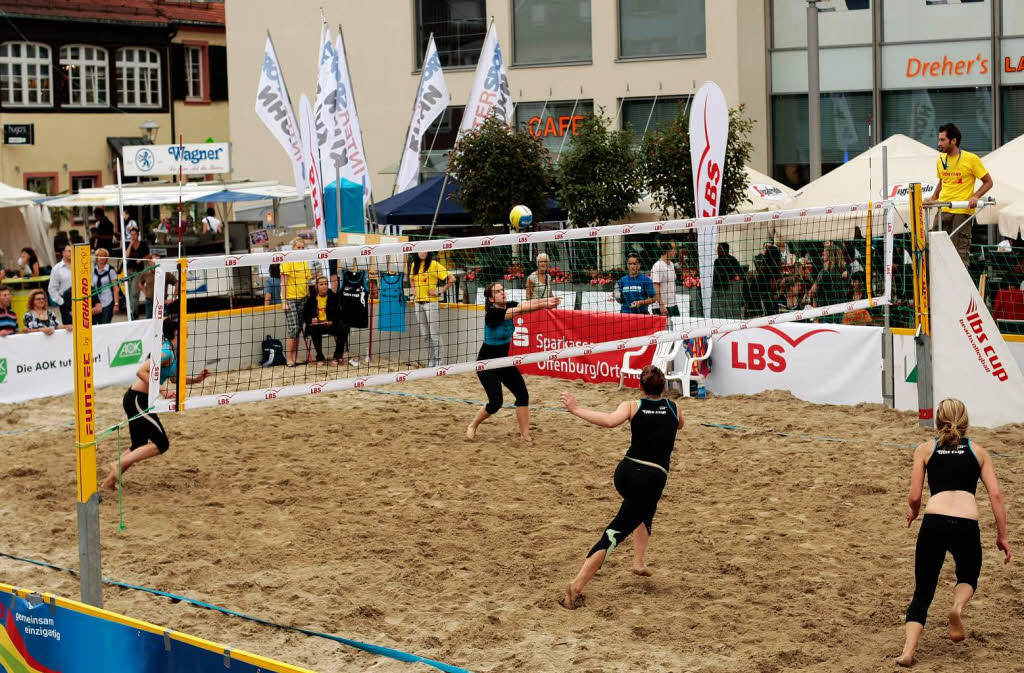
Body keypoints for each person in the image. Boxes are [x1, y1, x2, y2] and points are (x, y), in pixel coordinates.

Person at [558, 365, 683, 610]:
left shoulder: (631, 405)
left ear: (640, 387)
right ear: (665, 387)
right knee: (615, 532)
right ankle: (576, 587)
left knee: (643, 511)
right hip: (651, 478)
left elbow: (608, 422)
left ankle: (638, 561)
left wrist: (576, 409)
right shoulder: (675, 408)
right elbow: (679, 426)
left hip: (626, 471)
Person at [897, 399, 1011, 667]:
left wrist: (914, 511)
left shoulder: (925, 449)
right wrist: (1002, 535)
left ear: (937, 421)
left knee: (923, 590)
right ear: (966, 420)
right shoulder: (979, 451)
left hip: (934, 521)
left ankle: (908, 652)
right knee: (968, 575)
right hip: (966, 523)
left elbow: (914, 495)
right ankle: (957, 608)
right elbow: (996, 495)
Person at [100, 319, 210, 491]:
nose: (187, 329)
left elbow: (174, 378)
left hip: (137, 399)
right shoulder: (166, 351)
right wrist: (162, 391)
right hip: (137, 399)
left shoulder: (173, 351)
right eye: (184, 327)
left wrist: (197, 380)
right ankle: (117, 463)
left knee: (139, 445)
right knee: (162, 444)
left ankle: (108, 484)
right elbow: (141, 371)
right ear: (176, 332)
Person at [466, 282, 560, 442]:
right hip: (486, 365)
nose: (503, 293)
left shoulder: (509, 305)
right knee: (496, 403)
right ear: (490, 298)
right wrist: (544, 304)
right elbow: (521, 309)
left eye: (503, 290)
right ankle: (473, 425)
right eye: (497, 291)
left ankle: (525, 435)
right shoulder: (492, 314)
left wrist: (546, 303)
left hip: (504, 362)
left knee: (522, 395)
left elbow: (528, 304)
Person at [924, 123, 994, 268]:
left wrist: (975, 196)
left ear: (953, 141)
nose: (939, 143)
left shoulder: (971, 159)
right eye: (939, 139)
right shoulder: (940, 159)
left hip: (962, 211)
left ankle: (960, 289)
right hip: (943, 209)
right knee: (935, 250)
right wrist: (932, 198)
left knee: (959, 253)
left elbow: (988, 182)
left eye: (943, 140)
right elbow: (942, 182)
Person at [410, 251, 453, 368]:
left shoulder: (434, 264)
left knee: (434, 334)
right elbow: (412, 279)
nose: (422, 253)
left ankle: (439, 363)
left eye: (424, 250)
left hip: (431, 304)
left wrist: (440, 291)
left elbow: (452, 279)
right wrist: (413, 290)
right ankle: (431, 362)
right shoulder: (415, 264)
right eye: (420, 250)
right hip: (418, 303)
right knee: (425, 335)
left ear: (428, 252)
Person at [279, 238, 312, 367]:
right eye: (298, 248)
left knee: (299, 329)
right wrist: (284, 301)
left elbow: (307, 282)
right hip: (291, 299)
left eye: (302, 248)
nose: (300, 250)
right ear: (293, 248)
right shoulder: (287, 261)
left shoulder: (305, 262)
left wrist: (309, 298)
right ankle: (289, 358)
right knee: (292, 328)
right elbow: (283, 283)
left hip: (303, 298)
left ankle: (296, 357)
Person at [302, 275, 345, 365]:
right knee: (313, 329)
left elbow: (339, 314)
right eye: (321, 284)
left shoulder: (334, 297)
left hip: (331, 324)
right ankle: (320, 357)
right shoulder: (311, 299)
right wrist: (311, 320)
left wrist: (332, 321)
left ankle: (337, 356)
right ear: (316, 286)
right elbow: (305, 316)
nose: (324, 286)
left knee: (344, 327)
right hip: (318, 326)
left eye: (326, 284)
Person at [138, 252, 177, 319]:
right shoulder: (146, 272)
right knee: (149, 322)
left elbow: (177, 283)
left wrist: (173, 298)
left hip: (161, 302)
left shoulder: (165, 273)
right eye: (155, 260)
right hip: (150, 302)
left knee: (163, 322)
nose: (157, 262)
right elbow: (140, 284)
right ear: (150, 262)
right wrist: (146, 292)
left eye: (159, 260)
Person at [124, 225, 149, 317]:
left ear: (138, 235)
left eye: (134, 234)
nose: (133, 236)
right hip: (129, 270)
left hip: (138, 271)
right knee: (130, 293)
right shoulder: (128, 244)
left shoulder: (143, 244)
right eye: (131, 235)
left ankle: (134, 312)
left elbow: (148, 255)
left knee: (135, 292)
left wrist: (141, 259)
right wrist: (130, 244)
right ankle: (133, 311)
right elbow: (126, 256)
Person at [47, 244, 74, 325]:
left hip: (82, 300)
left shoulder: (79, 266)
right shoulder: (56, 269)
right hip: (66, 302)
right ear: (63, 253)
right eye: (69, 251)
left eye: (73, 251)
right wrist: (61, 302)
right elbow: (52, 288)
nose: (71, 253)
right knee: (69, 328)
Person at [650, 242, 679, 317]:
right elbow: (655, 287)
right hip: (661, 306)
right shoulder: (657, 266)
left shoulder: (672, 265)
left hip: (673, 304)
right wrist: (662, 305)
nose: (676, 252)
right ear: (668, 250)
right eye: (675, 249)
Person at [92, 248, 120, 324]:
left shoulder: (110, 270)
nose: (102, 258)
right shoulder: (93, 270)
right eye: (100, 256)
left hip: (108, 301)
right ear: (96, 257)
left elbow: (115, 288)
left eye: (104, 256)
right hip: (97, 303)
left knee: (105, 324)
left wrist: (116, 304)